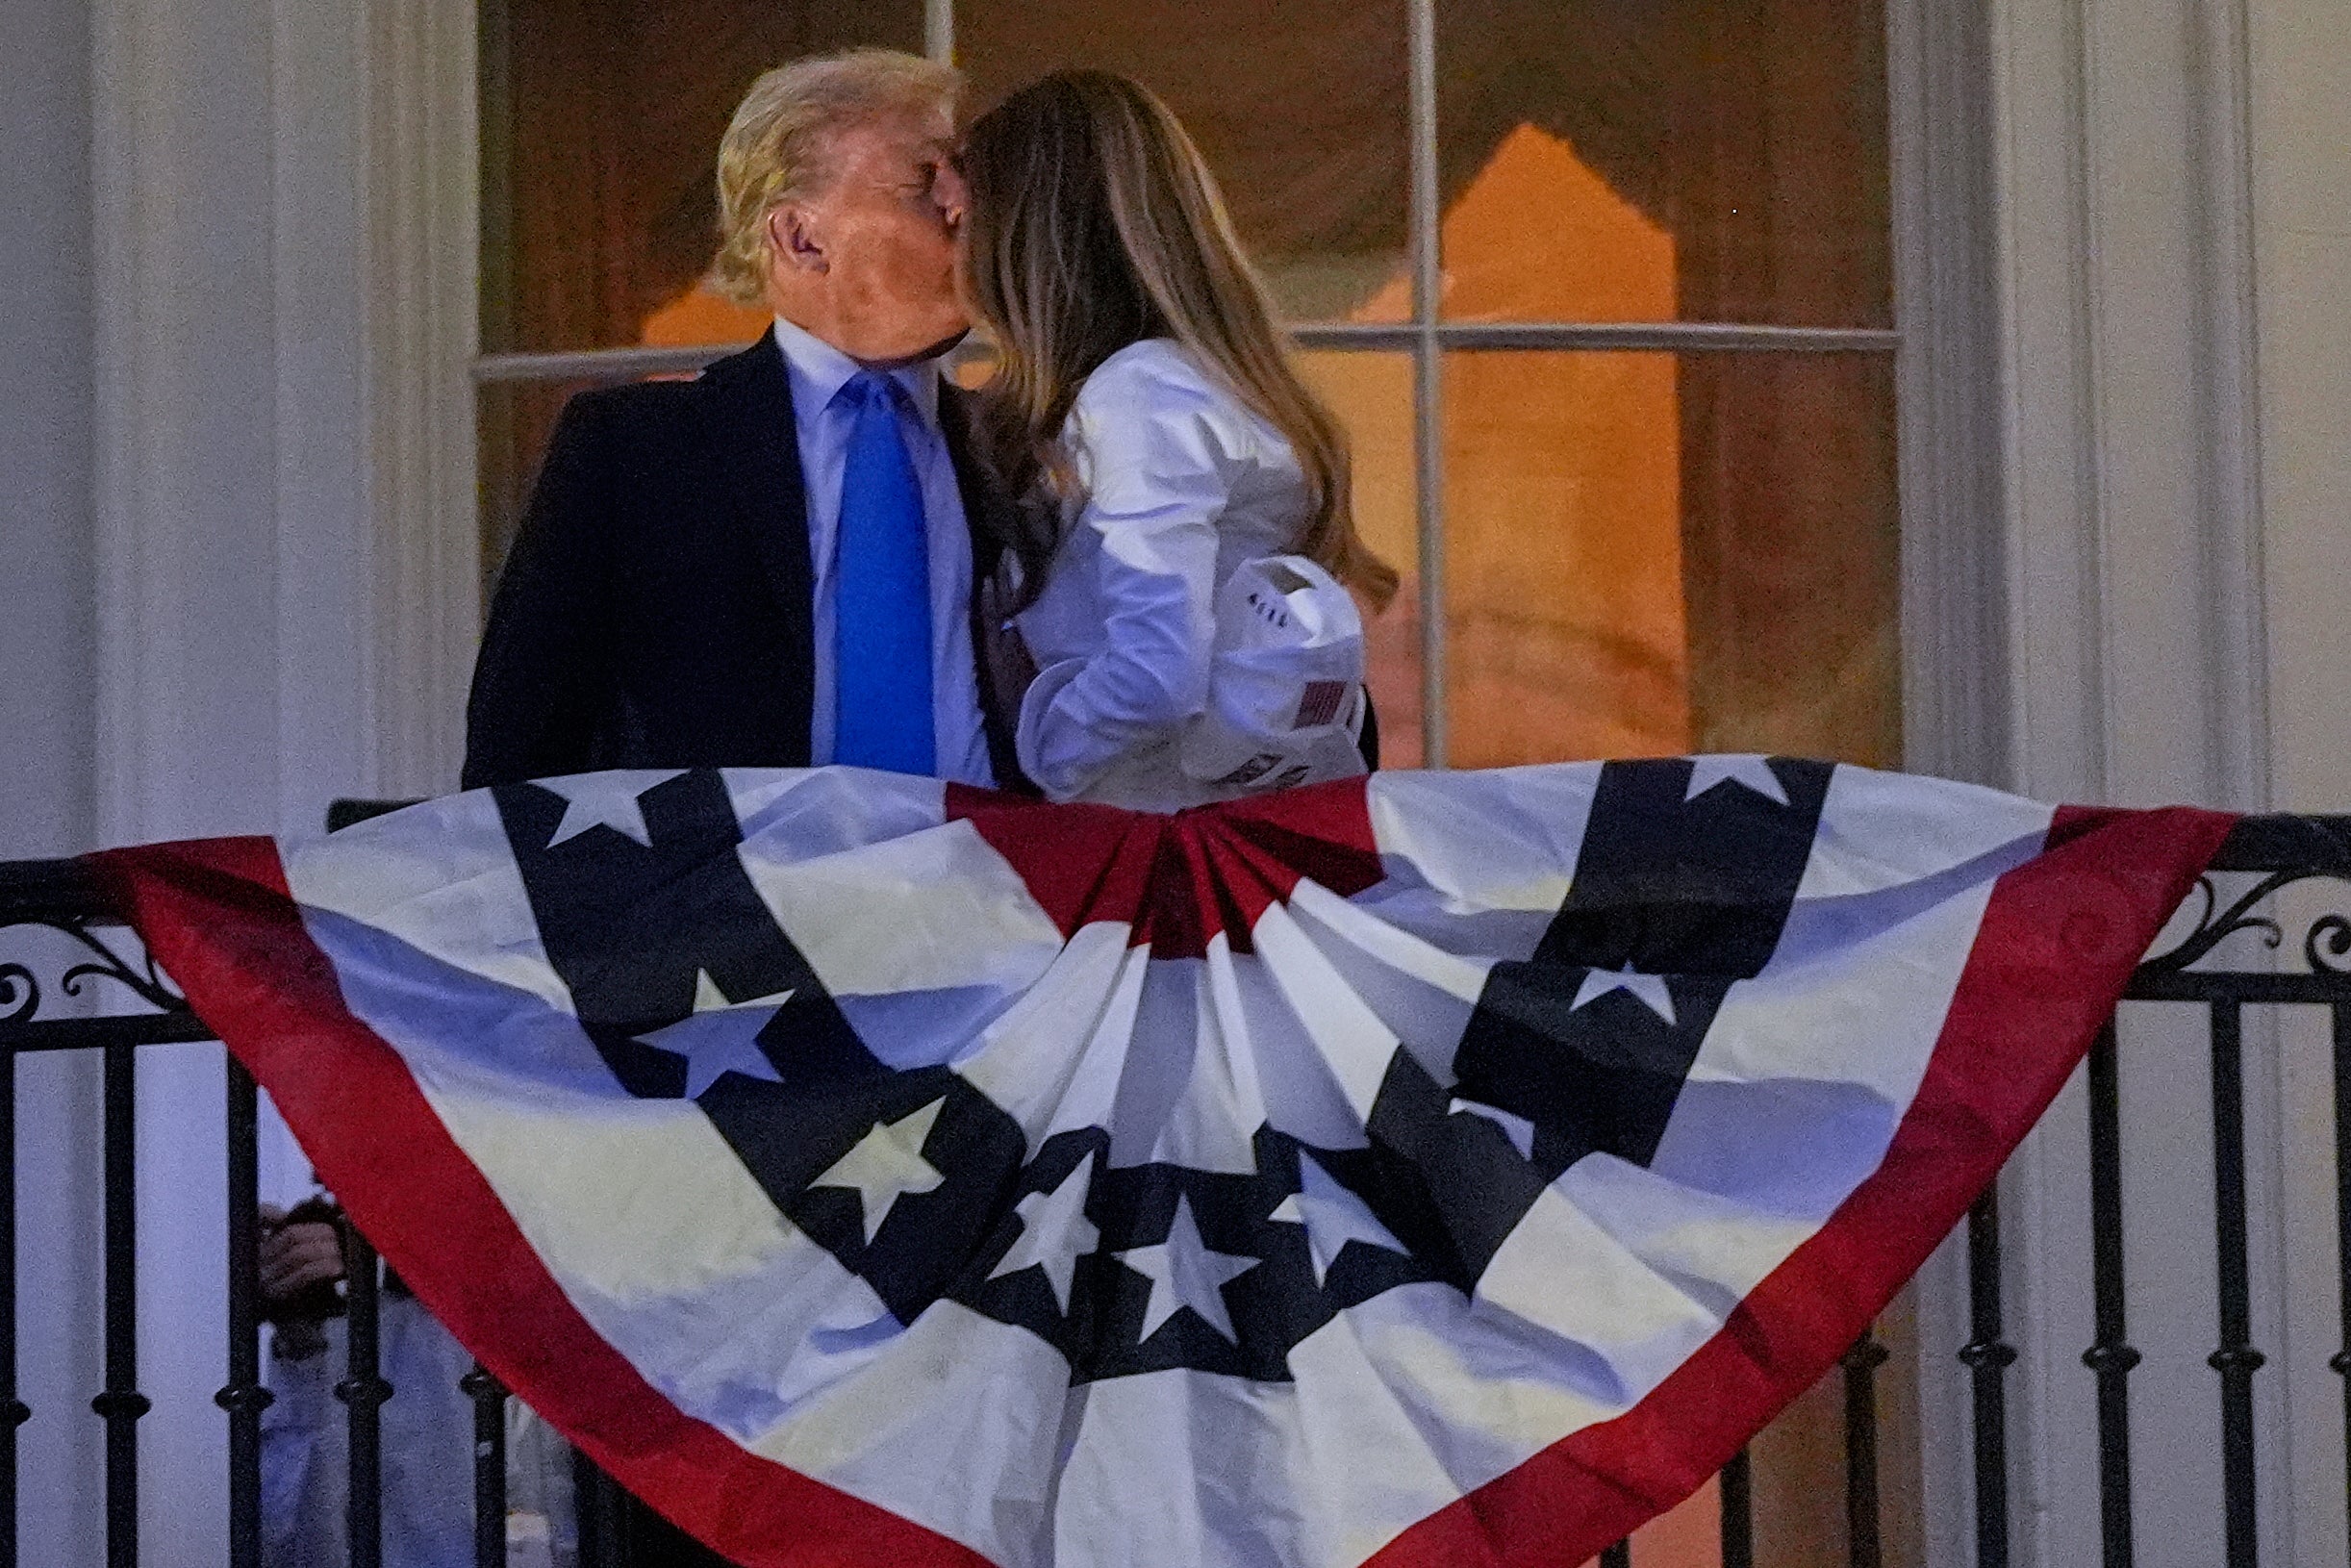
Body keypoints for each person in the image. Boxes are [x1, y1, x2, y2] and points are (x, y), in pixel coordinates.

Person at [463, 48, 1022, 794]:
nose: (963, 208)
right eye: (924, 181)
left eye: (965, 181)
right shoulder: (635, 451)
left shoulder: (1024, 448)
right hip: (733, 897)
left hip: (997, 885)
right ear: (800, 237)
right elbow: (519, 747)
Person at [954, 71, 1398, 810]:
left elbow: (1157, 671)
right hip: (1228, 829)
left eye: (965, 218)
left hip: (1163, 853)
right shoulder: (1188, 379)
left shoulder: (1142, 392)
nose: (953, 243)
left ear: (1022, 238)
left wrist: (1038, 767)